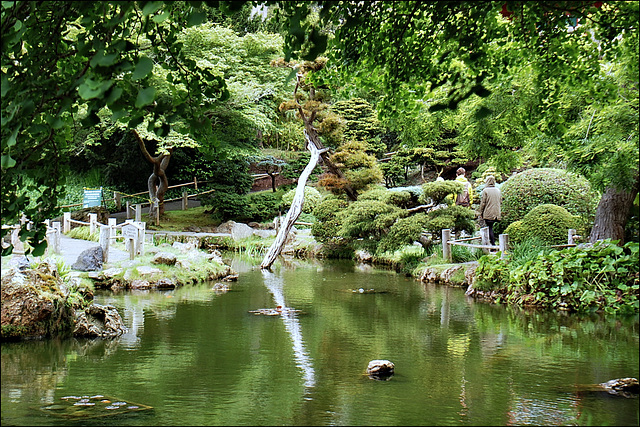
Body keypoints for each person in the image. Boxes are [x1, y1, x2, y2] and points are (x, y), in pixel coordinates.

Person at [476, 175, 501, 246]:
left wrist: (480, 213)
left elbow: (483, 203)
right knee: (491, 228)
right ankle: (494, 243)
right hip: (496, 213)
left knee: (489, 228)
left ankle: (492, 245)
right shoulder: (498, 190)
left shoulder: (485, 190)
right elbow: (500, 201)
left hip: (488, 213)